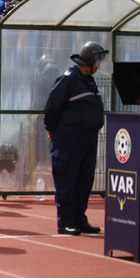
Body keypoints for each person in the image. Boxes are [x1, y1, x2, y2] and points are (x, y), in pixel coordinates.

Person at [43, 41, 108, 236]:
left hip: (88, 138)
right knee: (67, 181)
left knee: (84, 181)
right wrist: (51, 129)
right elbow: (52, 107)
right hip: (68, 138)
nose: (99, 65)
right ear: (88, 60)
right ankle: (65, 221)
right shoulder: (68, 79)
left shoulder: (89, 80)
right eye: (97, 60)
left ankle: (79, 219)